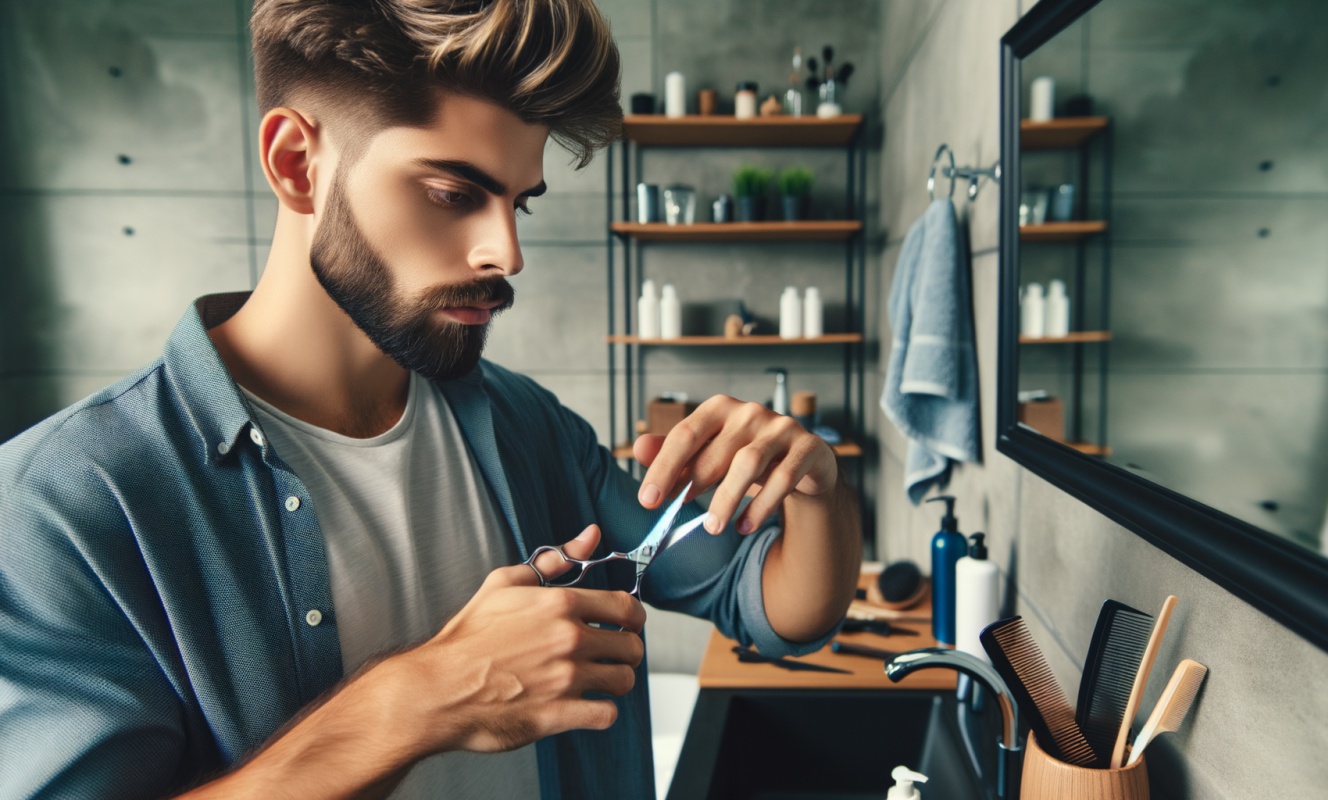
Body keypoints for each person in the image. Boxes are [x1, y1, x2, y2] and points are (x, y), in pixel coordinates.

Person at [0, 1, 861, 798]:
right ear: (298, 164)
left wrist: (816, 487)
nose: (507, 252)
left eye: (518, 202)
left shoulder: (523, 425)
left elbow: (773, 609)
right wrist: (417, 701)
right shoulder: (61, 506)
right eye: (454, 195)